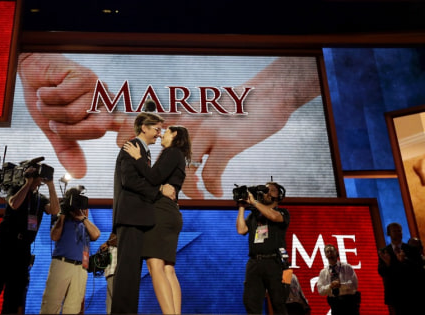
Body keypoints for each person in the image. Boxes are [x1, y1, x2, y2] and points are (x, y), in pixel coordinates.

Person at [18, 53, 322, 199]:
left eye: (160, 130)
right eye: (154, 128)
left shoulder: (163, 155)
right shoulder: (143, 152)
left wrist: (285, 88)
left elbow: (150, 181)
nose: (159, 131)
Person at [110, 112, 175, 313]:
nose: (159, 134)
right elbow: (129, 181)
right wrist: (159, 190)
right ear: (144, 128)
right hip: (131, 218)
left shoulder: (143, 152)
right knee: (127, 273)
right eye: (156, 129)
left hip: (139, 218)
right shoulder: (132, 147)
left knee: (132, 273)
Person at [122, 124, 192, 314]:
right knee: (168, 268)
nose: (162, 134)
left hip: (162, 212)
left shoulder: (172, 152)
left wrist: (137, 158)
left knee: (155, 265)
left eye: (166, 131)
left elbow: (153, 177)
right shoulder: (177, 155)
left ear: (175, 134)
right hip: (170, 212)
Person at [0, 166, 60, 314]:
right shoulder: (15, 189)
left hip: (23, 250)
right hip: (4, 247)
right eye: (37, 174)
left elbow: (55, 210)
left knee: (13, 297)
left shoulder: (40, 199)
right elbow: (14, 204)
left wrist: (51, 185)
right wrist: (27, 183)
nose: (40, 178)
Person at [40, 186, 101, 314]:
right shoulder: (61, 216)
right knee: (51, 305)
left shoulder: (84, 221)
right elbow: (54, 236)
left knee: (73, 308)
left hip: (81, 268)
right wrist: (62, 215)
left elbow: (96, 235)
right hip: (62, 264)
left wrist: (82, 218)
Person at [235, 182, 289, 314]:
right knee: (250, 301)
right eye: (265, 190)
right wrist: (242, 207)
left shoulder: (282, 212)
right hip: (254, 263)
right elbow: (241, 230)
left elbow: (273, 216)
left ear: (279, 194)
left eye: (271, 190)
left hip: (274, 262)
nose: (267, 192)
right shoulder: (254, 216)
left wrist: (254, 203)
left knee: (278, 302)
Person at [378, 222, 425, 315]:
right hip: (395, 294)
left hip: (413, 293)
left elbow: (420, 269)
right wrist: (388, 264)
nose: (398, 233)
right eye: (394, 231)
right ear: (388, 233)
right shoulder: (384, 251)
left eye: (399, 231)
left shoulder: (412, 250)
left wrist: (405, 260)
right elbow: (381, 272)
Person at [317, 244, 360, 315]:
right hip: (335, 305)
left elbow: (354, 285)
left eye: (331, 251)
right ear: (325, 256)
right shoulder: (323, 272)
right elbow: (321, 291)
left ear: (337, 253)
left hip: (350, 303)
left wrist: (341, 285)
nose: (330, 253)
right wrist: (330, 286)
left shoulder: (347, 267)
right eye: (327, 252)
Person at [99, 232, 118, 314]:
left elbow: (116, 238)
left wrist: (107, 243)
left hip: (116, 272)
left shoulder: (119, 232)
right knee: (110, 305)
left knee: (115, 305)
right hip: (111, 272)